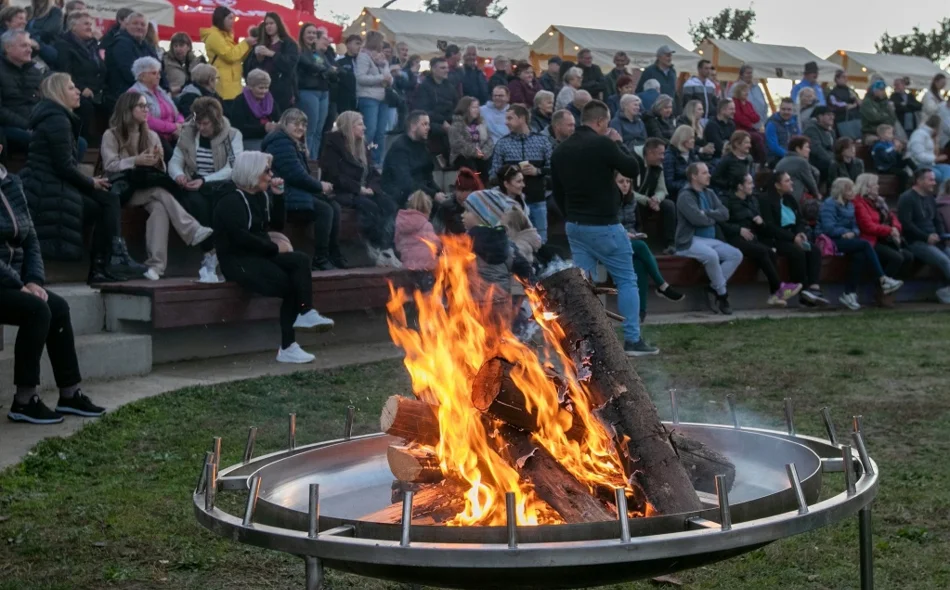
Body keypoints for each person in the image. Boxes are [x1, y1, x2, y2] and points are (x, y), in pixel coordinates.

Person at [1, 160, 106, 424]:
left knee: (57, 307)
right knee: (36, 310)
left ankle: (69, 394)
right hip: (6, 282)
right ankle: (24, 401)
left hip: (14, 282)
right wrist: (19, 284)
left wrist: (35, 279)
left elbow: (31, 238)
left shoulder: (12, 183)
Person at [551, 99, 658, 355]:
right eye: (607, 123)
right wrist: (618, 142)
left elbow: (557, 192)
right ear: (600, 121)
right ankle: (632, 339)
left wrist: (572, 216)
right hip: (605, 225)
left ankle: (587, 342)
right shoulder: (603, 143)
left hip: (576, 227)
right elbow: (633, 168)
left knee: (585, 285)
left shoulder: (561, 150)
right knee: (626, 280)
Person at [22, 73, 145, 281]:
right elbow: (63, 167)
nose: (77, 91)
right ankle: (108, 261)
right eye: (71, 88)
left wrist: (91, 182)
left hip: (52, 181)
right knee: (106, 200)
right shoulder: (57, 120)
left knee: (108, 198)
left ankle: (107, 262)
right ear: (59, 93)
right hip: (47, 186)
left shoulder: (56, 117)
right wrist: (90, 182)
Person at [214, 151, 334, 364]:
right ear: (252, 172)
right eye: (266, 171)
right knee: (290, 284)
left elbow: (276, 225)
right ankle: (288, 345)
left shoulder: (259, 196)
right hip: (238, 262)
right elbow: (240, 238)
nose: (271, 176)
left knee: (301, 260)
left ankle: (306, 313)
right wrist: (272, 248)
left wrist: (278, 197)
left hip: (259, 254)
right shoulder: (230, 200)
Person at [102, 92, 212, 280]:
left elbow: (159, 170)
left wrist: (156, 160)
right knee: (159, 193)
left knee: (160, 208)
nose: (147, 110)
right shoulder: (111, 134)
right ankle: (192, 230)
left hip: (145, 187)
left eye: (147, 106)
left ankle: (155, 267)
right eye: (141, 106)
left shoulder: (151, 135)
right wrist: (136, 160)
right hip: (123, 190)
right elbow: (110, 166)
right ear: (128, 110)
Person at [168, 97, 244, 282]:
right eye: (198, 123)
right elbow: (175, 161)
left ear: (216, 120)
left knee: (224, 206)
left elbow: (233, 167)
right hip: (193, 182)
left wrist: (205, 180)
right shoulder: (188, 133)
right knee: (196, 204)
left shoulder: (233, 135)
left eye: (205, 123)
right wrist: (178, 174)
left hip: (219, 182)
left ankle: (227, 256)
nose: (201, 128)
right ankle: (209, 253)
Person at [258, 109, 340, 270]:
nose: (301, 128)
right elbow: (295, 175)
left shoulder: (291, 143)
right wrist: (320, 186)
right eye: (296, 123)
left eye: (303, 124)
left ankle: (333, 254)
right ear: (284, 124)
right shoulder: (280, 142)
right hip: (283, 195)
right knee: (325, 210)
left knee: (334, 206)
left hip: (294, 191)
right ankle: (320, 258)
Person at [319, 110, 399, 267]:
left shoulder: (362, 144)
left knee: (390, 204)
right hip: (342, 192)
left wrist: (371, 187)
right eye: (360, 124)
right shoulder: (333, 145)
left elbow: (373, 173)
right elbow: (334, 176)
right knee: (369, 206)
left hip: (362, 190)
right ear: (349, 126)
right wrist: (358, 189)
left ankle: (386, 247)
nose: (364, 128)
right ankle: (374, 247)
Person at [820, 177, 903, 310]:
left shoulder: (850, 205)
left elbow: (856, 226)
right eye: (849, 189)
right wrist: (844, 232)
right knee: (864, 245)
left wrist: (853, 232)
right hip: (832, 240)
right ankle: (883, 279)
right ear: (841, 191)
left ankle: (849, 293)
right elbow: (828, 227)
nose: (853, 191)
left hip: (849, 238)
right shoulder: (829, 204)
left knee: (859, 255)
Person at [720, 173, 802, 307]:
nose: (752, 186)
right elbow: (721, 222)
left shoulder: (752, 200)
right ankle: (779, 289)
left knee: (770, 251)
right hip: (734, 238)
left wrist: (760, 223)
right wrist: (738, 229)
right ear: (740, 186)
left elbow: (761, 226)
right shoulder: (727, 200)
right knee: (763, 251)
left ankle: (775, 293)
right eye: (749, 183)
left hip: (751, 238)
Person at [674, 162, 743, 314]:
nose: (709, 175)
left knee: (736, 254)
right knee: (711, 256)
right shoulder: (685, 195)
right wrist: (712, 216)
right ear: (694, 176)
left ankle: (713, 288)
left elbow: (725, 214)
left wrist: (706, 213)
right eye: (705, 173)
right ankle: (723, 295)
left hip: (710, 240)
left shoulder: (709, 193)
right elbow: (697, 219)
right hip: (689, 241)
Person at [615, 171, 683, 321]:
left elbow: (637, 224)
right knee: (641, 247)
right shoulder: (608, 201)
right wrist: (624, 234)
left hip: (631, 241)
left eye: (628, 181)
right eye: (621, 181)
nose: (625, 185)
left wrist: (636, 233)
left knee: (640, 264)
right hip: (614, 242)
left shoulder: (632, 199)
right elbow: (609, 226)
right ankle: (662, 285)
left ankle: (641, 311)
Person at [758, 170, 828, 306]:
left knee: (814, 250)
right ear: (777, 185)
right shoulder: (765, 200)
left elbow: (800, 220)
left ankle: (814, 287)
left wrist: (801, 233)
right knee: (797, 252)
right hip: (776, 238)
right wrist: (792, 237)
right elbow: (770, 227)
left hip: (793, 235)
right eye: (787, 180)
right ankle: (803, 290)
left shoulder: (789, 199)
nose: (791, 183)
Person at [490, 104, 553, 242]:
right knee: (514, 241)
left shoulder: (542, 141)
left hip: (537, 200)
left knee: (540, 241)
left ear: (522, 118)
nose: (506, 122)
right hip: (511, 205)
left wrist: (537, 171)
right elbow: (494, 174)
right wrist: (510, 172)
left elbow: (554, 168)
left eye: (510, 118)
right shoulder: (502, 143)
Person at [898, 168, 950, 304]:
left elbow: (937, 220)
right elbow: (907, 224)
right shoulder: (907, 198)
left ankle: (945, 291)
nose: (934, 182)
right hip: (916, 242)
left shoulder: (930, 198)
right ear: (919, 181)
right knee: (944, 261)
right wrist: (926, 237)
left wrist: (940, 236)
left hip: (935, 240)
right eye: (930, 179)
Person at [53, 11, 106, 144]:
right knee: (85, 105)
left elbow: (101, 70)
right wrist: (81, 88)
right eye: (86, 24)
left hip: (97, 90)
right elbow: (65, 71)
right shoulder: (64, 45)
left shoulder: (93, 46)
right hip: (73, 88)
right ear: (73, 27)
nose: (90, 27)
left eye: (91, 24)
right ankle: (85, 141)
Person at [853, 173, 915, 284]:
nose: (878, 186)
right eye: (874, 184)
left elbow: (893, 217)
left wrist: (895, 228)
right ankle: (881, 286)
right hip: (869, 239)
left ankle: (892, 282)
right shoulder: (858, 203)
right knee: (896, 258)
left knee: (909, 256)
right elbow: (868, 227)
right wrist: (889, 230)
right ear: (866, 187)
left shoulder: (879, 201)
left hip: (884, 238)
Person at [382, 110, 443, 207]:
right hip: (399, 194)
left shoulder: (422, 146)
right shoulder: (400, 148)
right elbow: (405, 182)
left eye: (428, 124)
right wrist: (433, 194)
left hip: (418, 192)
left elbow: (428, 177)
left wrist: (438, 192)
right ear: (413, 126)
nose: (428, 128)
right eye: (424, 124)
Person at [103, 12, 165, 108]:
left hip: (148, 92)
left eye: (143, 24)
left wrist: (166, 88)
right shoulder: (120, 44)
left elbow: (160, 70)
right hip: (126, 96)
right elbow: (130, 73)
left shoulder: (146, 46)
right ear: (126, 25)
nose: (139, 27)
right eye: (135, 23)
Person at [201, 5, 255, 103]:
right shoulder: (214, 36)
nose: (232, 21)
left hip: (233, 89)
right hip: (223, 89)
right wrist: (245, 43)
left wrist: (249, 47)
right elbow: (230, 56)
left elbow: (238, 57)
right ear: (221, 19)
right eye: (230, 18)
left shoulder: (226, 36)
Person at [0, 30, 43, 153]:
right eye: (24, 45)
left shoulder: (35, 71)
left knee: (79, 143)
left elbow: (45, 102)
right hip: (11, 126)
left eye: (30, 46)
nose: (30, 50)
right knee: (44, 140)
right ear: (8, 48)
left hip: (36, 124)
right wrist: (27, 125)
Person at [129, 56, 183, 153]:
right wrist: (173, 127)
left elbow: (176, 112)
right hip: (150, 139)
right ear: (142, 76)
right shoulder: (134, 93)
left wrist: (180, 123)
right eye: (154, 73)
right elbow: (147, 120)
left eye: (159, 73)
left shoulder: (160, 91)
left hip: (172, 135)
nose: (159, 76)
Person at [296, 23, 335, 156]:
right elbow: (310, 66)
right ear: (302, 34)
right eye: (309, 32)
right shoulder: (299, 51)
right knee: (309, 130)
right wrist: (324, 70)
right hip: (308, 91)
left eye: (314, 33)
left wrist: (324, 71)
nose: (312, 35)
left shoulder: (318, 53)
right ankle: (307, 160)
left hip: (324, 91)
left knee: (319, 130)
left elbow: (331, 69)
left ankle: (314, 160)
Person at [353, 31, 390, 164]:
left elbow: (388, 77)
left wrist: (385, 67)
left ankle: (377, 160)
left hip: (383, 98)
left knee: (380, 133)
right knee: (370, 130)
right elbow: (361, 78)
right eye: (381, 41)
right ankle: (363, 158)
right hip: (368, 97)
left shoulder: (381, 59)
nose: (383, 44)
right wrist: (381, 78)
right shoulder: (363, 57)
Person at [414, 56, 459, 163]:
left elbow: (456, 107)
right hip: (431, 123)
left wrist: (453, 121)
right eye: (443, 68)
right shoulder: (424, 87)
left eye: (447, 67)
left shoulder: (450, 86)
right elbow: (423, 111)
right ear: (433, 69)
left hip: (449, 123)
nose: (446, 70)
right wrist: (442, 122)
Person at [229, 68, 282, 149]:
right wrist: (264, 128)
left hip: (270, 138)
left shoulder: (270, 100)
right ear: (250, 86)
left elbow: (279, 119)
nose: (264, 91)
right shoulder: (240, 101)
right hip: (249, 140)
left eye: (266, 88)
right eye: (261, 88)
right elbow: (238, 127)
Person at [394, 190, 440, 278]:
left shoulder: (400, 223)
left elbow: (397, 245)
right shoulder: (427, 225)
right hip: (427, 268)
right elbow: (436, 245)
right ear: (427, 210)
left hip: (407, 266)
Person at [449, 96, 493, 179]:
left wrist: (484, 152)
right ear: (465, 108)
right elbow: (458, 145)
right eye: (473, 107)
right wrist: (476, 153)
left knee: (486, 165)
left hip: (481, 155)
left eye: (477, 107)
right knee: (471, 166)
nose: (477, 110)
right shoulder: (456, 125)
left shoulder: (482, 123)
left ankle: (484, 187)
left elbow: (489, 140)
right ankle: (475, 185)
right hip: (463, 157)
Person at [775, 135, 821, 203]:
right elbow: (811, 182)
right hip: (796, 199)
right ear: (798, 149)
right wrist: (817, 196)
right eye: (807, 147)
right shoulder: (801, 162)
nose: (809, 150)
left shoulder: (780, 161)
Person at [908, 115, 950, 185]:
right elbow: (919, 156)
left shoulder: (930, 135)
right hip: (919, 165)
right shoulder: (919, 134)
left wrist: (936, 142)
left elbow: (934, 153)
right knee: (938, 174)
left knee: (948, 169)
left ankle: (946, 192)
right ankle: (944, 192)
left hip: (930, 164)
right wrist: (936, 159)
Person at [730, 82, 766, 163]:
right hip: (740, 129)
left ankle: (760, 160)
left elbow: (756, 117)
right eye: (744, 91)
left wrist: (747, 115)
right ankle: (761, 161)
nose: (746, 93)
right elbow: (738, 118)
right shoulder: (735, 102)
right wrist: (749, 119)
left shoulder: (748, 104)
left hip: (750, 128)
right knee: (757, 138)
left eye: (747, 91)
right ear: (738, 92)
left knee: (763, 136)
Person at [712, 130, 755, 194]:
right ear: (737, 144)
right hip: (731, 197)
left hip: (746, 196)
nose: (750, 146)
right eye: (746, 143)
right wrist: (731, 185)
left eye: (749, 143)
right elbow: (714, 179)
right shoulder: (727, 160)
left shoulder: (749, 159)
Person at [803, 106, 837, 186]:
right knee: (832, 165)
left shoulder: (831, 131)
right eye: (828, 115)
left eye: (833, 115)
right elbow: (817, 150)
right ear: (820, 116)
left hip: (829, 159)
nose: (832, 117)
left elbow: (834, 148)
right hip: (815, 161)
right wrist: (833, 160)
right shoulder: (811, 129)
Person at [665, 125, 701, 200]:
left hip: (692, 190)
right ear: (683, 139)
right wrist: (690, 185)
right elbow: (669, 184)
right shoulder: (669, 156)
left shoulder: (691, 153)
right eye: (691, 138)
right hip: (677, 194)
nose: (694, 140)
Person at [765, 98, 801, 166]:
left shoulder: (794, 123)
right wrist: (789, 156)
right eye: (783, 109)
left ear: (793, 110)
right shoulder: (772, 124)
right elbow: (773, 147)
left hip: (793, 157)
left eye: (789, 109)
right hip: (776, 159)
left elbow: (799, 141)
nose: (786, 112)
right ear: (780, 109)